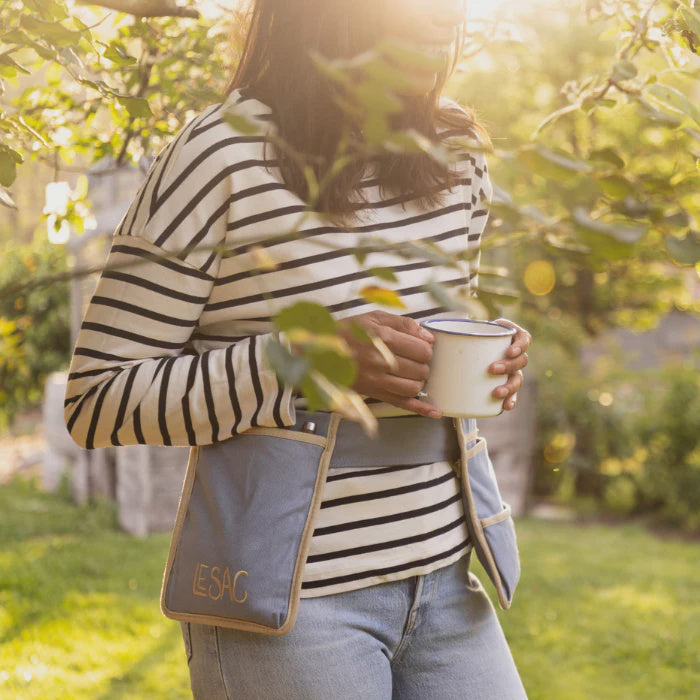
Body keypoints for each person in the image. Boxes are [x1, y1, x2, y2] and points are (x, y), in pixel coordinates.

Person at [64, 0, 532, 697]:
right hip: (288, 610)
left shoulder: (454, 150)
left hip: (445, 582)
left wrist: (483, 358)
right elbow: (98, 400)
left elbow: (425, 336)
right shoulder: (217, 153)